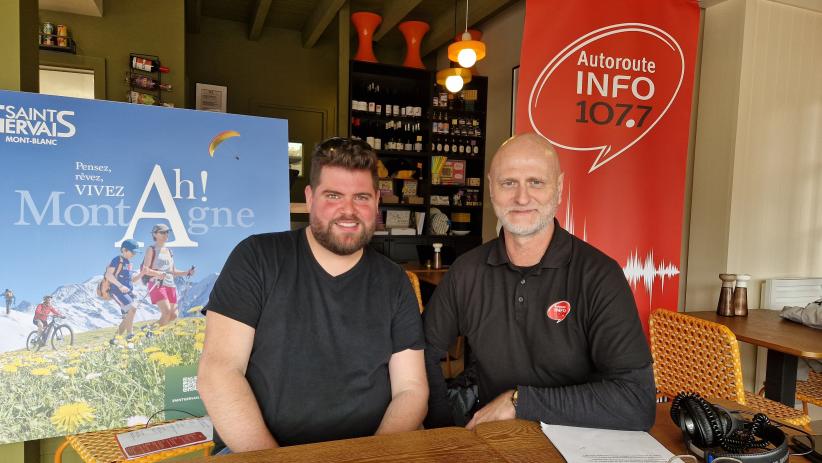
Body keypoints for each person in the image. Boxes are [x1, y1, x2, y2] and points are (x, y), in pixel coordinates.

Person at [198, 137, 428, 454]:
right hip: (259, 453)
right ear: (310, 198)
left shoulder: (393, 281)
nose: (348, 211)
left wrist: (373, 457)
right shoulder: (257, 257)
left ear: (376, 201)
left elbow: (412, 389)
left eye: (361, 197)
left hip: (371, 452)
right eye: (333, 196)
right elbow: (218, 373)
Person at [423, 133, 656, 431]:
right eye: (509, 183)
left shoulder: (599, 275)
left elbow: (637, 402)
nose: (522, 197)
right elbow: (422, 353)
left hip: (580, 443)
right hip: (496, 440)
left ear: (559, 189)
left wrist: (520, 402)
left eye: (536, 182)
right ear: (492, 188)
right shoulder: (467, 271)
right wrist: (445, 433)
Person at [141, 224, 195, 327]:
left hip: (171, 285)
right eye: (162, 232)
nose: (166, 234)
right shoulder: (151, 249)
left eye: (167, 232)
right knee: (166, 313)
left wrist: (187, 272)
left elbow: (172, 271)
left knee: (173, 315)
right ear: (155, 234)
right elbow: (145, 270)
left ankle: (149, 330)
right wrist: (158, 273)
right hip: (157, 283)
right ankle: (150, 334)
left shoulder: (169, 251)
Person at [106, 239, 145, 345]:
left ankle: (114, 340)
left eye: (135, 252)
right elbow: (108, 275)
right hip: (117, 291)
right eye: (132, 251)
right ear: (124, 250)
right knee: (133, 308)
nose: (134, 254)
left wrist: (142, 273)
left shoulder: (129, 263)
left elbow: (132, 280)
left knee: (127, 318)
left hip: (127, 293)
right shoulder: (117, 260)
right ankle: (130, 335)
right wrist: (120, 286)